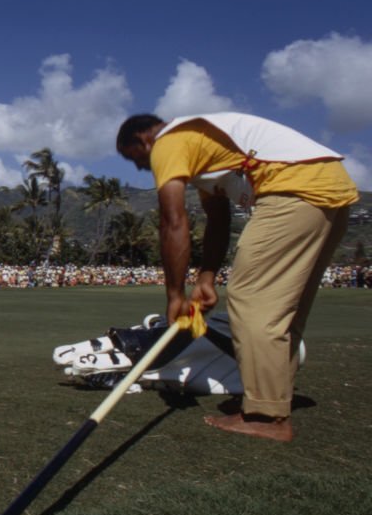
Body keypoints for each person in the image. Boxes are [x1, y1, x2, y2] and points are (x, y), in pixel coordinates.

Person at [116, 111, 358, 442]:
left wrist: (175, 295)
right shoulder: (204, 154)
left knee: (250, 300)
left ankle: (266, 417)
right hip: (329, 186)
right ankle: (270, 398)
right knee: (284, 309)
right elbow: (217, 220)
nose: (142, 167)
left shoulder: (168, 141)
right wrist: (206, 278)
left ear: (143, 140)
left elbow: (173, 221)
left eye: (136, 159)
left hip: (294, 190)